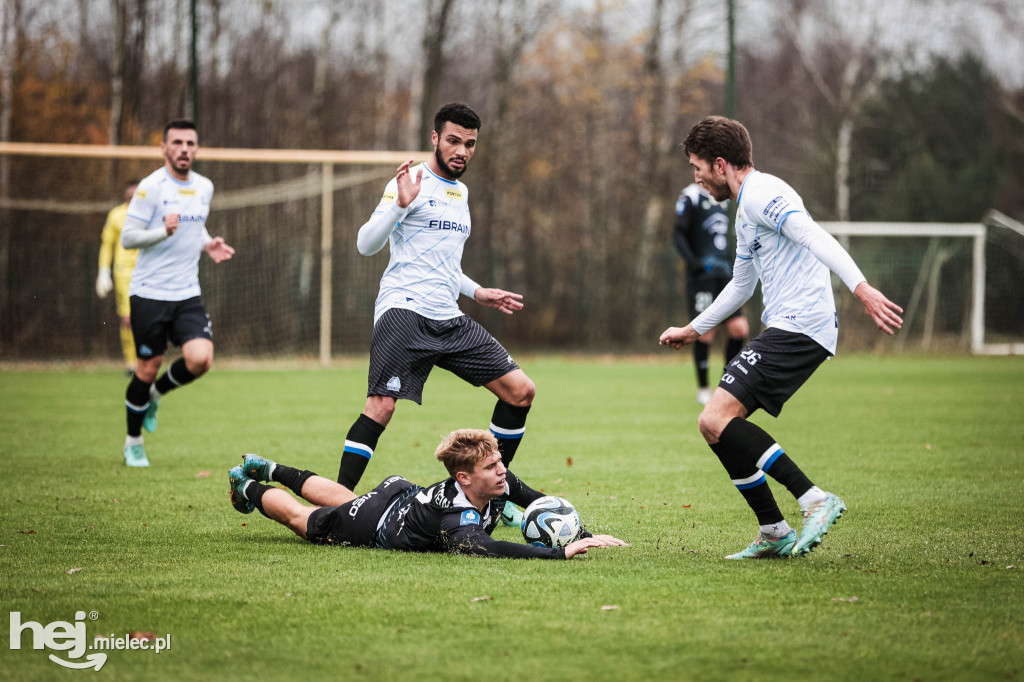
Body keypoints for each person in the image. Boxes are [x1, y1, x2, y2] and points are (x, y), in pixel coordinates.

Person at [659, 116, 903, 560]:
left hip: (800, 325)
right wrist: (694, 328)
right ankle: (774, 531)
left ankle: (814, 499)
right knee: (714, 427)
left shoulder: (765, 194)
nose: (694, 178)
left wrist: (861, 287)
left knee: (715, 419)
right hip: (790, 326)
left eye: (696, 168)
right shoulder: (745, 207)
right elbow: (740, 286)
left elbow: (812, 236)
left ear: (719, 164)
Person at [340, 103, 535, 528]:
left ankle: (493, 498)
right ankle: (337, 504)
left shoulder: (461, 193)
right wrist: (398, 206)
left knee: (520, 391)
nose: (462, 150)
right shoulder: (410, 182)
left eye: (470, 144)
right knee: (381, 407)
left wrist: (478, 291)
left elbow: (445, 266)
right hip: (404, 311)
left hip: (448, 318)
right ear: (435, 138)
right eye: (453, 140)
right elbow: (365, 244)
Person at [228, 429, 626, 559]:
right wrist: (556, 553)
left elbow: (542, 505)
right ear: (464, 478)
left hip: (400, 493)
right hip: (375, 523)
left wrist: (582, 534)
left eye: (500, 462)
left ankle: (271, 468)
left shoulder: (498, 481)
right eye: (491, 467)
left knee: (344, 498)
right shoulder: (456, 521)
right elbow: (492, 548)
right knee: (303, 521)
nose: (502, 470)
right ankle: (246, 485)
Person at [118, 119, 235, 467]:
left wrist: (207, 243)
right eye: (178, 142)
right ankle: (133, 441)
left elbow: (192, 227)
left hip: (186, 293)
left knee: (201, 358)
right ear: (164, 148)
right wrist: (159, 232)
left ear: (196, 149)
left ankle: (154, 396)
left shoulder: (205, 187)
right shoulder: (150, 187)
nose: (185, 149)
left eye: (190, 143)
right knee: (147, 366)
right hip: (149, 293)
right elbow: (128, 237)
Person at [672, 182, 749, 405]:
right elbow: (678, 233)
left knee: (739, 329)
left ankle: (727, 386)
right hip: (702, 276)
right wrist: (693, 262)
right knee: (706, 332)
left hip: (724, 274)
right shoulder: (691, 196)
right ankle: (703, 389)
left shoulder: (723, 198)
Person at [96, 179, 141, 375]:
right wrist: (103, 271)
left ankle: (146, 359)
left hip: (148, 271)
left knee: (148, 319)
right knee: (128, 319)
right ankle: (132, 364)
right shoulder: (115, 215)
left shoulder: (150, 214)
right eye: (129, 196)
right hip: (123, 272)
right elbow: (107, 244)